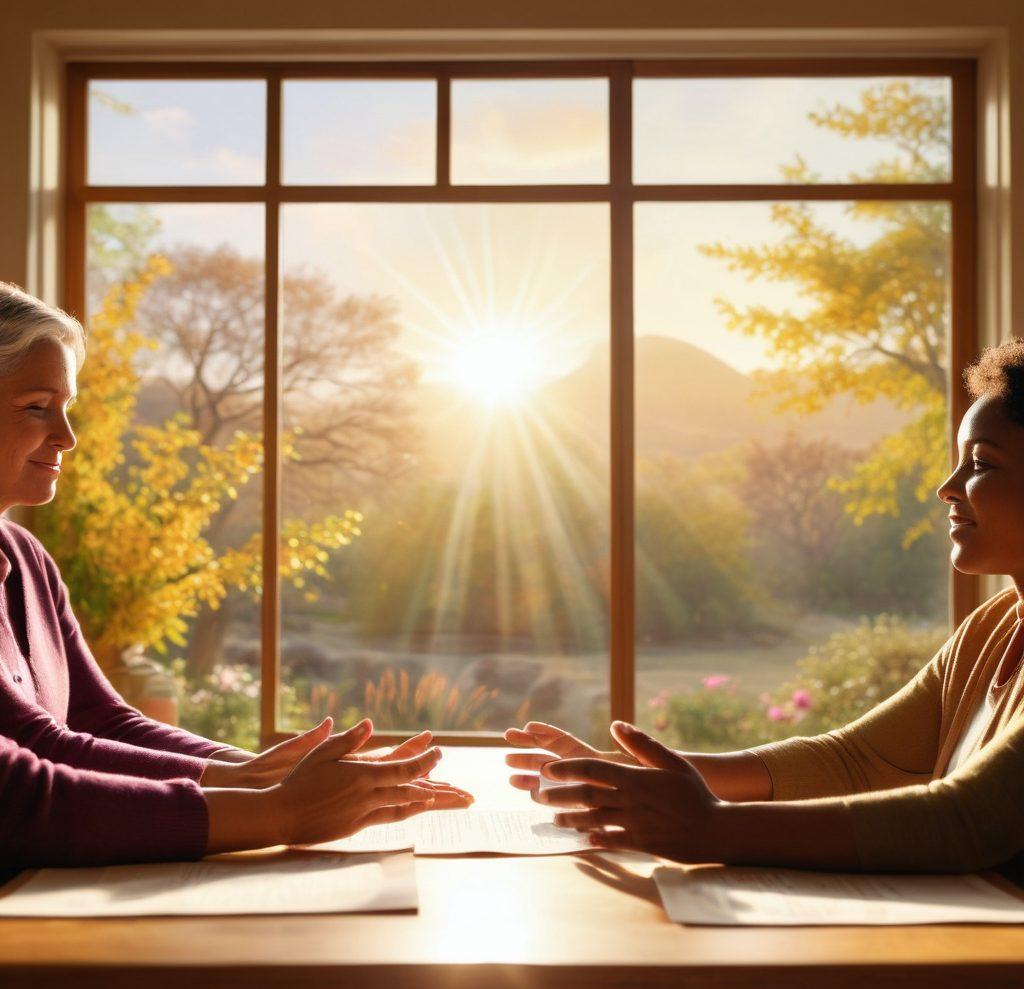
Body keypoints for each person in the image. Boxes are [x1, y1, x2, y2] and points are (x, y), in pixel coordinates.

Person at [508, 338, 1024, 876]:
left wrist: (710, 828)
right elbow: (852, 762)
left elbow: (965, 822)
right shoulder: (990, 627)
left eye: (980, 463)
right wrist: (626, 777)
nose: (947, 487)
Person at [0, 282, 471, 870]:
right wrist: (278, 810)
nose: (67, 436)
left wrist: (253, 773)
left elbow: (102, 721)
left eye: (67, 408)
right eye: (37, 406)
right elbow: (24, 784)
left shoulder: (28, 560)